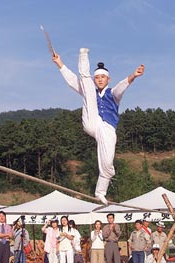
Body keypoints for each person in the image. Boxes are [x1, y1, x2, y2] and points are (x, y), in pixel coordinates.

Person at [52, 48, 145, 205]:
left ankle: (100, 193)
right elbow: (72, 81)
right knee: (85, 86)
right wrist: (60, 63)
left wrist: (133, 76)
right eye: (97, 77)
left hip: (107, 129)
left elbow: (122, 86)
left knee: (108, 164)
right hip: (92, 122)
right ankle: (83, 55)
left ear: (108, 79)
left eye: (103, 77)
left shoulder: (113, 93)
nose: (100, 80)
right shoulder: (91, 91)